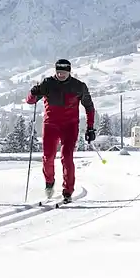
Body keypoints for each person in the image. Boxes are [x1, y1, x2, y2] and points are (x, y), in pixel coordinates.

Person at [26, 59, 96, 202]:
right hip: (51, 125)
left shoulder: (78, 86)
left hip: (70, 126)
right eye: (58, 72)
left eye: (63, 72)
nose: (61, 74)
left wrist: (90, 127)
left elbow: (89, 107)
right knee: (48, 157)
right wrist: (32, 93)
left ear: (69, 71)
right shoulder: (47, 84)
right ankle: (49, 183)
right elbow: (30, 101)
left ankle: (68, 192)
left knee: (67, 157)